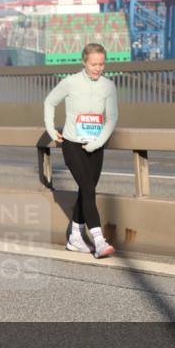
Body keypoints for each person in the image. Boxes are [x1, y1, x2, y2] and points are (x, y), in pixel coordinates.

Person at [44, 42, 118, 259]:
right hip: (73, 144)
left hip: (96, 145)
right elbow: (49, 102)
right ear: (84, 62)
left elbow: (112, 118)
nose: (98, 68)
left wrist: (98, 143)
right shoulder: (70, 82)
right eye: (93, 64)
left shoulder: (108, 86)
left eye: (101, 64)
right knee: (88, 188)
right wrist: (50, 129)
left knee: (86, 190)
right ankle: (99, 240)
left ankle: (75, 237)